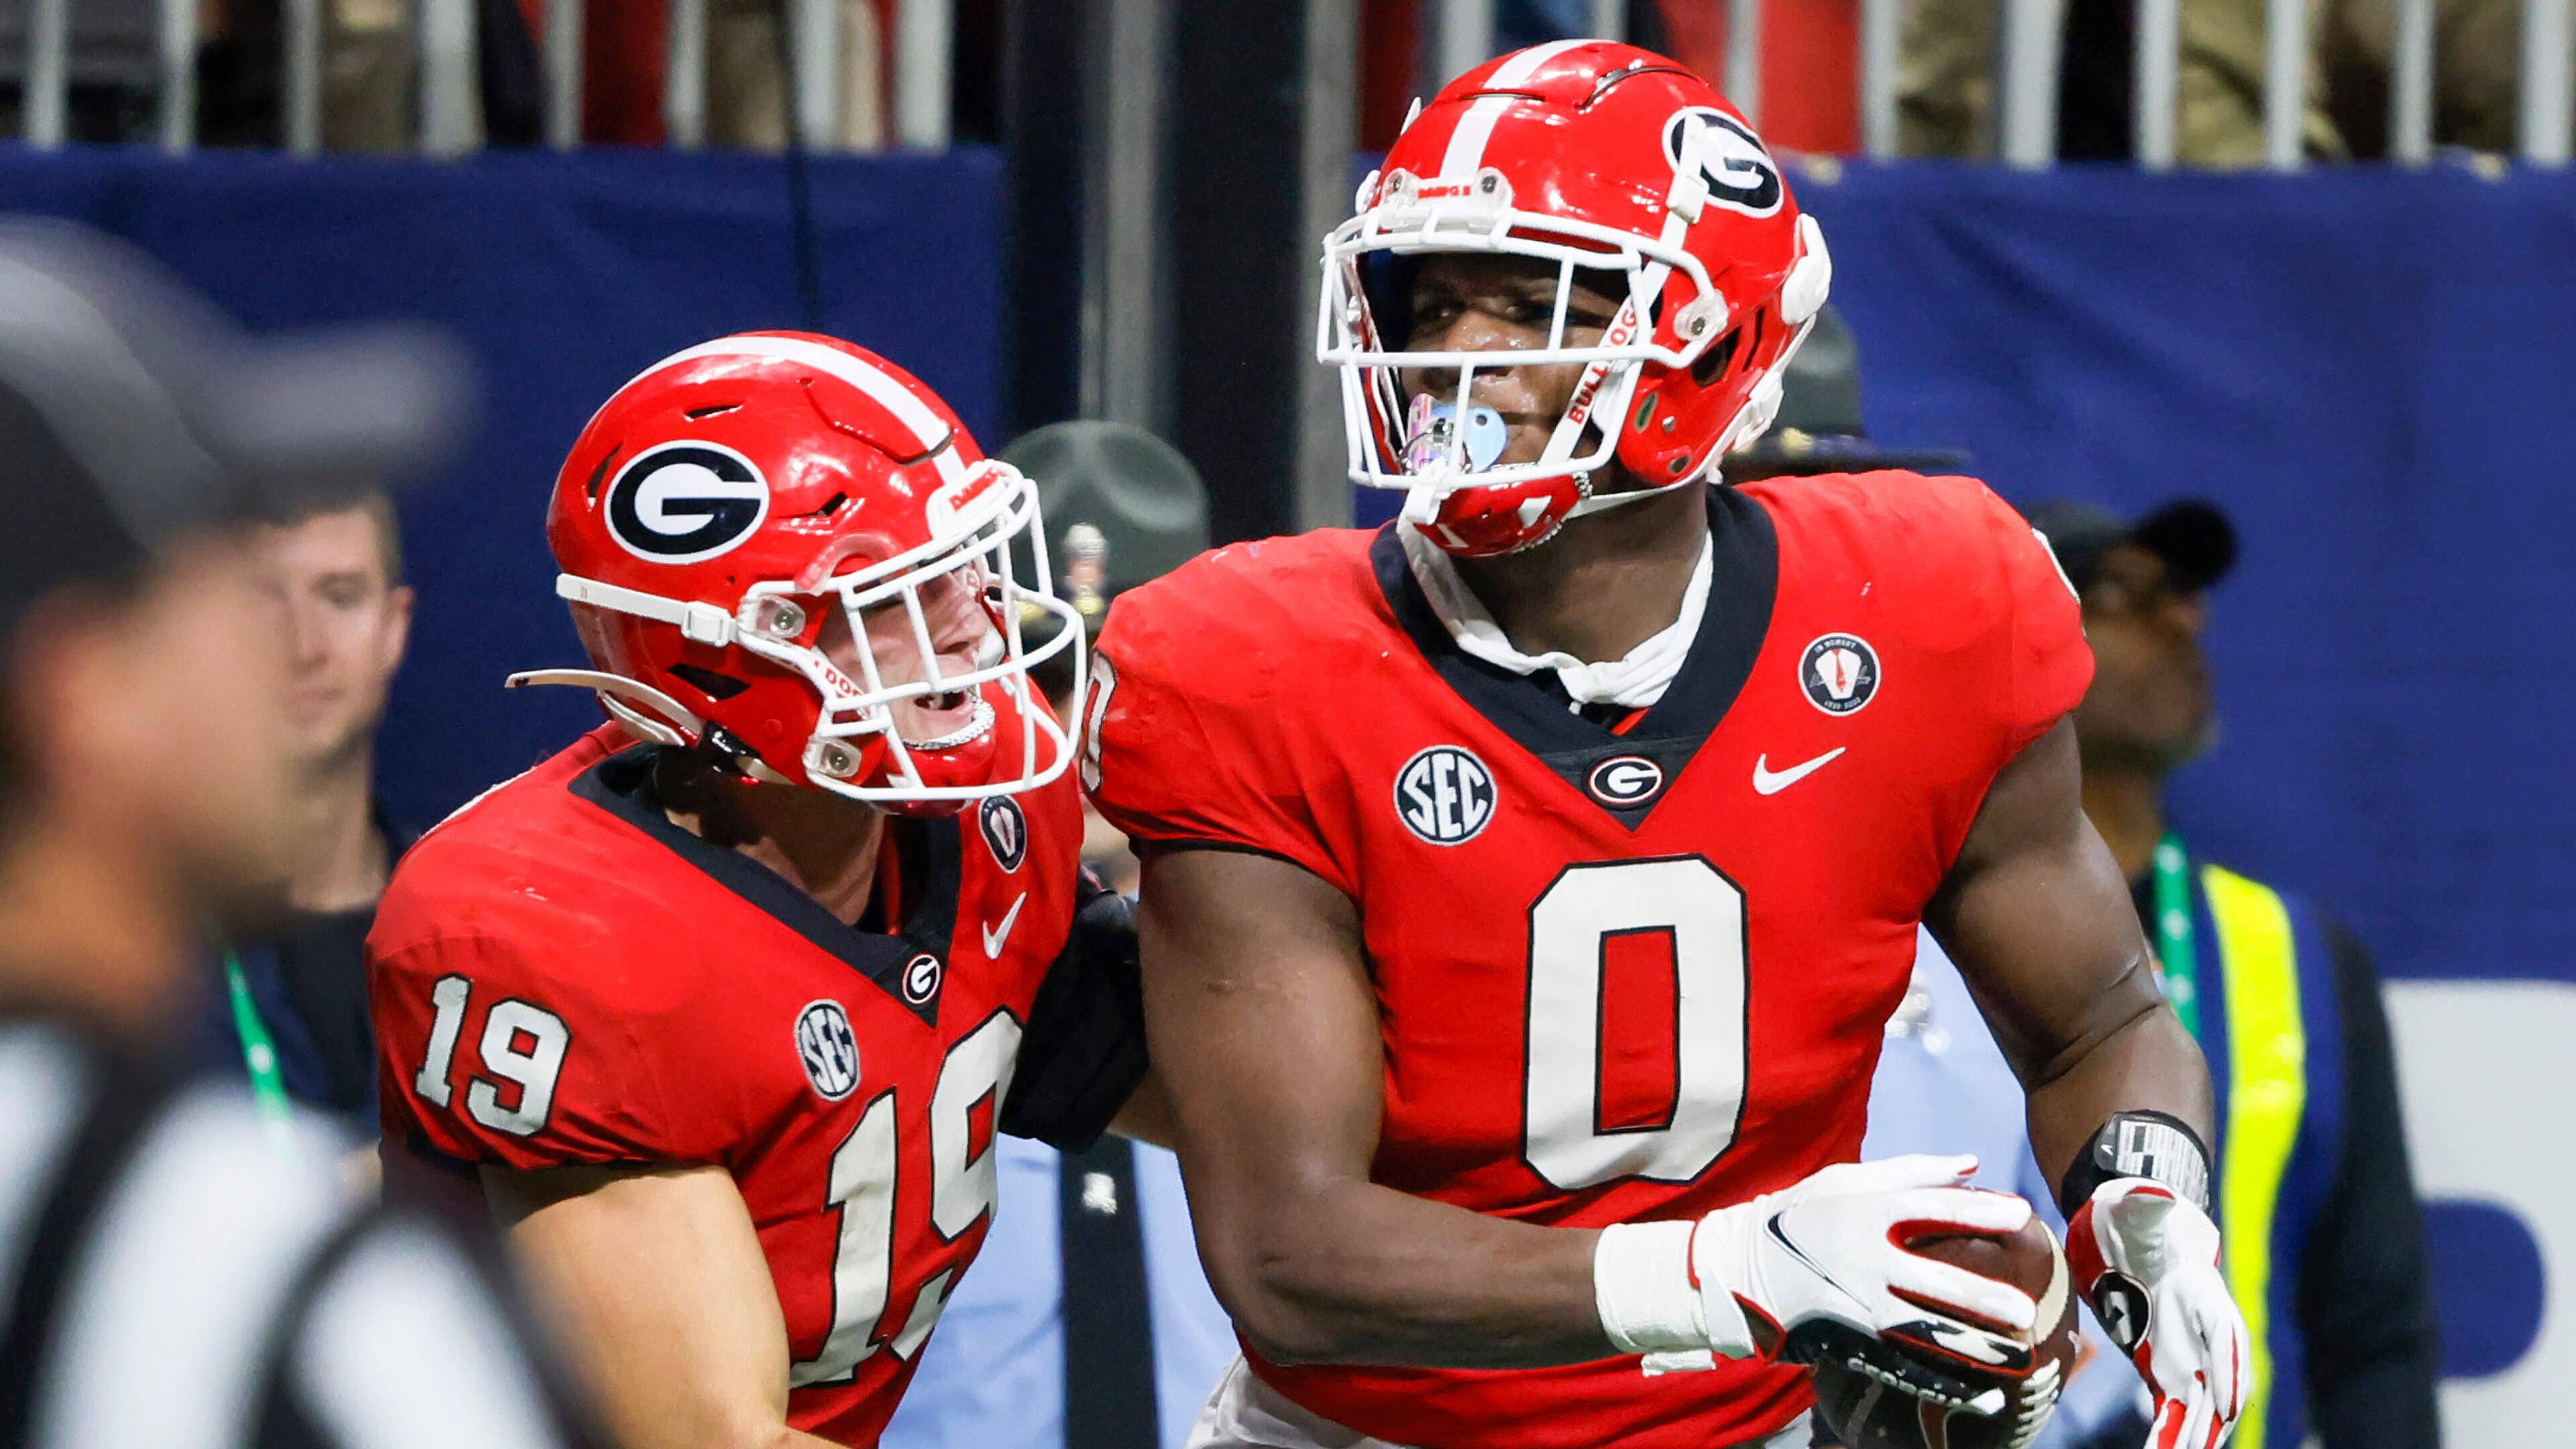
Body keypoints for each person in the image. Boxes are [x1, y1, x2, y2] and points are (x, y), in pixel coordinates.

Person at [1087, 41, 2250, 1449]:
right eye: (1434, 300)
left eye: (1536, 302)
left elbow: (2102, 1023)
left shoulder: (1924, 603)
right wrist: (1727, 1273)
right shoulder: (1252, 662)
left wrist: (2145, 1194)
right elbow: (1290, 1254)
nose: (1460, 354)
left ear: (1715, 337)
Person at [366, 332, 1163, 1449]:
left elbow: (1214, 1096)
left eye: (962, 566)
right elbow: (712, 1442)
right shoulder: (550, 930)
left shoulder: (982, 805)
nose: (970, 623)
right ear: (729, 653)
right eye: (895, 595)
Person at [0, 219, 591, 1448]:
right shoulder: (275, 1285)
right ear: (90, 689)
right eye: (226, 581)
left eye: (334, 594)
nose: (281, 648)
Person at [2021, 497, 2440, 1449]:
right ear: (2015, 641)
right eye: (2126, 595)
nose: (2186, 620)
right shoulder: (1909, 936)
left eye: (2185, 597)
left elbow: (2374, 1330)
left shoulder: (2295, 954)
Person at [885, 421, 1234, 1449]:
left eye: (1123, 673)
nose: (1076, 721)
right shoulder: (852, 990)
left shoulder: (1314, 997)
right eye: (1036, 671)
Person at [197, 492, 415, 1130]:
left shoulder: (491, 934)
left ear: (394, 628)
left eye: (340, 597)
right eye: (261, 601)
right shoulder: (130, 959)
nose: (304, 645)